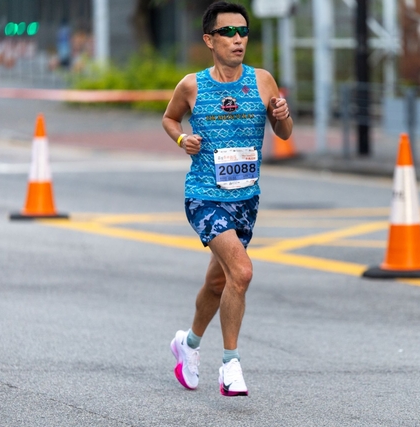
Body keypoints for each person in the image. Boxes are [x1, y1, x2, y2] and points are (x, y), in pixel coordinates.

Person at [161, 1, 292, 397]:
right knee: (242, 272)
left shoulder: (263, 80)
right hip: (204, 196)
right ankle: (230, 364)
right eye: (228, 32)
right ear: (209, 39)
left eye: (243, 32)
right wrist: (182, 139)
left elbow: (284, 133)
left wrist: (282, 114)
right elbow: (169, 118)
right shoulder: (192, 86)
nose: (238, 39)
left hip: (246, 199)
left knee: (219, 281)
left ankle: (188, 344)